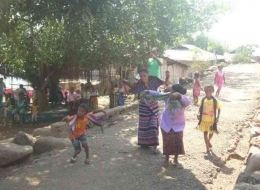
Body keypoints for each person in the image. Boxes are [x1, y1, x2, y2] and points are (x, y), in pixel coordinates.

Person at [124, 67, 164, 153]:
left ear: (148, 74)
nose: (143, 77)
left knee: (154, 125)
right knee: (144, 126)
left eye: (144, 75)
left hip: (153, 106)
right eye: (141, 76)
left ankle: (155, 147)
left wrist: (167, 77)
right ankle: (144, 143)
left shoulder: (154, 80)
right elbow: (130, 92)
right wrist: (124, 84)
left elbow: (165, 83)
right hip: (143, 108)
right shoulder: (139, 84)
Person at [159, 84, 191, 167]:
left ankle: (176, 159)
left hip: (178, 125)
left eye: (172, 90)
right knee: (167, 141)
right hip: (166, 123)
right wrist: (148, 92)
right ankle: (166, 159)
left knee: (178, 142)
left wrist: (179, 95)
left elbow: (188, 102)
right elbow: (157, 95)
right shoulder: (167, 97)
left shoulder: (182, 99)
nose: (171, 92)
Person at [197, 84, 221, 153]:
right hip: (204, 119)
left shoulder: (215, 100)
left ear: (213, 91)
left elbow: (219, 108)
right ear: (204, 91)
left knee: (211, 133)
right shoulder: (203, 99)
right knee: (205, 133)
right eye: (206, 91)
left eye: (210, 91)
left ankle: (208, 141)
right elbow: (200, 107)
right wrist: (198, 113)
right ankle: (207, 147)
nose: (208, 92)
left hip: (212, 120)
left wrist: (218, 117)